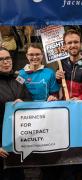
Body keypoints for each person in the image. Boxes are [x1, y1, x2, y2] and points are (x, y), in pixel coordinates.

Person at [0, 47, 32, 180]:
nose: (6, 62)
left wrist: (23, 102)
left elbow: (30, 100)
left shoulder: (19, 79)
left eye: (7, 58)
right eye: (1, 59)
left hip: (18, 143)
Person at [56, 29, 82, 100]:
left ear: (81, 44)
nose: (73, 45)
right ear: (65, 46)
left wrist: (80, 98)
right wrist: (57, 77)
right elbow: (59, 84)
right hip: (66, 105)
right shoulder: (62, 63)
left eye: (76, 42)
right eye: (69, 43)